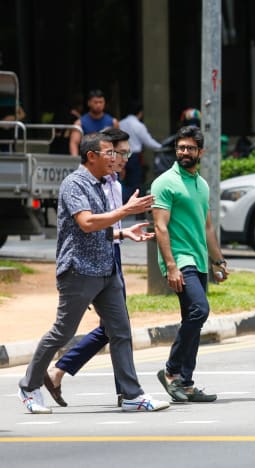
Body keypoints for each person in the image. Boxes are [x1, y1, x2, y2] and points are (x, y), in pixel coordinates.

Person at [17, 132, 168, 414]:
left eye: (116, 153)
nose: (115, 158)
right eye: (109, 153)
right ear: (92, 157)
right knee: (62, 332)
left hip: (106, 269)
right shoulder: (75, 183)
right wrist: (125, 211)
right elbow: (86, 223)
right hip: (79, 270)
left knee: (120, 332)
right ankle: (29, 385)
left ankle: (132, 394)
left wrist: (123, 232)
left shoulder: (100, 184)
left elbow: (98, 229)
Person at [151, 125, 228, 403]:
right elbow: (160, 227)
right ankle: (171, 371)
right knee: (199, 310)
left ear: (200, 152)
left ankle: (186, 382)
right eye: (181, 148)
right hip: (180, 260)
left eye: (190, 148)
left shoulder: (202, 185)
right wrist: (170, 265)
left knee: (192, 320)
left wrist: (218, 261)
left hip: (199, 261)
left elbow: (207, 228)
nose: (184, 152)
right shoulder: (164, 183)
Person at [118, 100, 162, 202]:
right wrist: (161, 147)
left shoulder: (120, 123)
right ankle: (132, 204)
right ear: (140, 113)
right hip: (133, 155)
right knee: (134, 183)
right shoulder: (138, 125)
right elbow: (148, 141)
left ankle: (122, 202)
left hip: (122, 154)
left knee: (121, 181)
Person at [69, 89, 119, 155]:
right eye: (95, 102)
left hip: (106, 160)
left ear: (104, 103)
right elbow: (74, 143)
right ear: (89, 103)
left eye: (101, 102)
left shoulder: (113, 122)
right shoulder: (80, 123)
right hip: (88, 160)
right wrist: (75, 161)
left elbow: (118, 143)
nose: (98, 105)